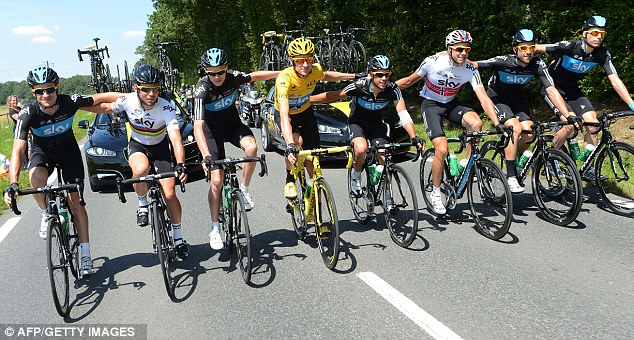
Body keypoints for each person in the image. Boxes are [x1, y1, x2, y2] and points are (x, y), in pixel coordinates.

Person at [3, 65, 120, 277]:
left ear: (57, 88)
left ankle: (85, 255)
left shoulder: (68, 101)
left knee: (76, 202)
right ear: (33, 93)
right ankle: (45, 213)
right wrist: (13, 183)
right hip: (42, 153)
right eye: (39, 91)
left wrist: (132, 95)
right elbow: (18, 148)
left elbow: (99, 98)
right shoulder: (28, 113)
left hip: (68, 154)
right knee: (36, 179)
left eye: (49, 89)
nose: (45, 95)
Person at [396, 30, 508, 215]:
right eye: (459, 49)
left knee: (477, 124)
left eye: (467, 50)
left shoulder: (470, 69)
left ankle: (466, 163)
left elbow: (484, 99)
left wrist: (497, 122)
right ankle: (436, 192)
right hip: (431, 105)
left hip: (451, 104)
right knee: (441, 148)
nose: (463, 53)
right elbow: (409, 81)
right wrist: (381, 88)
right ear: (449, 49)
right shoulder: (433, 62)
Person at [94, 64, 190, 258]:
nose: (151, 93)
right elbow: (104, 105)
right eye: (146, 88)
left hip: (161, 148)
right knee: (140, 170)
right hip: (138, 145)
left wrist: (180, 164)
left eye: (155, 88)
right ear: (136, 87)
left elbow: (176, 138)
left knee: (170, 192)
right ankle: (142, 204)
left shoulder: (166, 106)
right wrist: (75, 105)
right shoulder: (127, 101)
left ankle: (178, 237)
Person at [470, 29, 579, 193]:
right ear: (515, 49)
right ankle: (511, 176)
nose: (528, 52)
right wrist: (450, 54)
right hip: (497, 98)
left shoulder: (537, 65)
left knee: (529, 133)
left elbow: (551, 90)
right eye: (523, 48)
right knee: (515, 128)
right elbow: (474, 64)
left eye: (531, 47)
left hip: (516, 98)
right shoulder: (504, 61)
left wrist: (568, 114)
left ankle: (515, 159)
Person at [193, 48, 279, 250]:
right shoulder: (201, 90)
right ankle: (215, 228)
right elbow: (197, 127)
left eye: (220, 72)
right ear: (205, 71)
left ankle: (244, 189)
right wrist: (206, 156)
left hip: (232, 125)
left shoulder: (234, 78)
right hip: (210, 131)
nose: (216, 77)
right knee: (216, 181)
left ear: (226, 68)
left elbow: (256, 75)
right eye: (211, 72)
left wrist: (281, 73)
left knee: (251, 147)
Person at [535, 16, 634, 181]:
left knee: (593, 124)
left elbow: (615, 80)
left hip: (572, 90)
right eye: (594, 33)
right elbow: (537, 48)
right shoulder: (569, 46)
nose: (598, 37)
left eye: (602, 34)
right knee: (569, 126)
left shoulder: (602, 54)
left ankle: (586, 167)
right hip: (552, 90)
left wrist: (631, 104)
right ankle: (550, 161)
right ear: (584, 33)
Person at [310, 55, 424, 195]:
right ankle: (356, 176)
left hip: (377, 124)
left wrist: (414, 137)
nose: (384, 79)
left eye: (387, 75)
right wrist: (308, 100)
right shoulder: (359, 86)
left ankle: (387, 194)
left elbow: (403, 113)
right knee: (361, 149)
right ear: (371, 74)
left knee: (384, 157)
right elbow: (334, 95)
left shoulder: (393, 89)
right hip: (357, 122)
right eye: (379, 75)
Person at [276, 38, 357, 201]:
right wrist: (290, 144)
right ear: (292, 61)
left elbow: (328, 76)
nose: (305, 64)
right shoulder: (284, 79)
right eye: (300, 60)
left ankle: (318, 217)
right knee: (297, 142)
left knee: (314, 165)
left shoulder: (314, 70)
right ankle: (290, 179)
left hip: (305, 114)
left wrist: (354, 76)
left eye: (309, 59)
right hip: (287, 115)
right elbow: (284, 115)